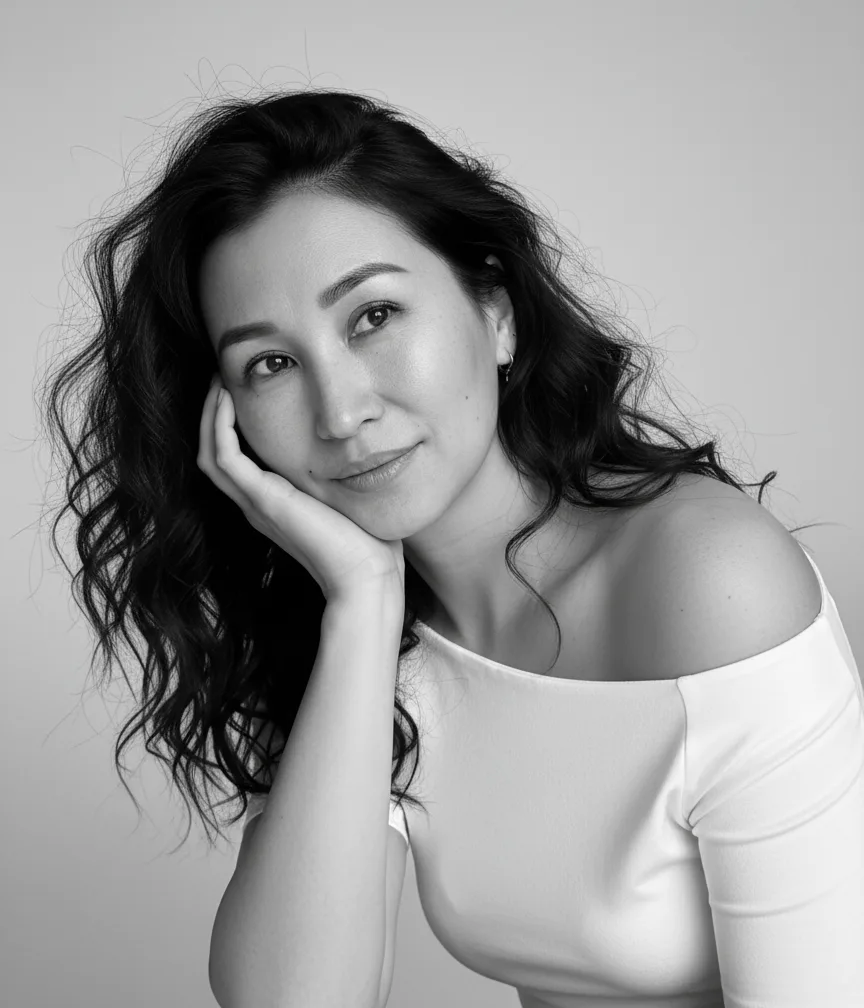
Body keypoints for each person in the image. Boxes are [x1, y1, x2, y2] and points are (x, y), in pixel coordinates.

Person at [38, 89, 864, 1008]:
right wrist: (363, 606)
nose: (341, 411)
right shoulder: (350, 632)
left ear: (496, 312)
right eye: (270, 363)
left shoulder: (707, 578)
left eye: (373, 317)